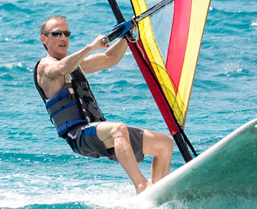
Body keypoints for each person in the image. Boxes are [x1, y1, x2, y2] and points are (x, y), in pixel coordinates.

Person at [34, 15, 173, 194]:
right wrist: (91, 47)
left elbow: (109, 58)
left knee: (164, 144)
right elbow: (60, 69)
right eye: (57, 33)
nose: (63, 38)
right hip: (79, 135)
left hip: (96, 130)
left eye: (66, 34)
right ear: (44, 39)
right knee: (118, 129)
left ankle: (156, 194)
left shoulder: (75, 65)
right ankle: (141, 186)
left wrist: (126, 36)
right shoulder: (45, 66)